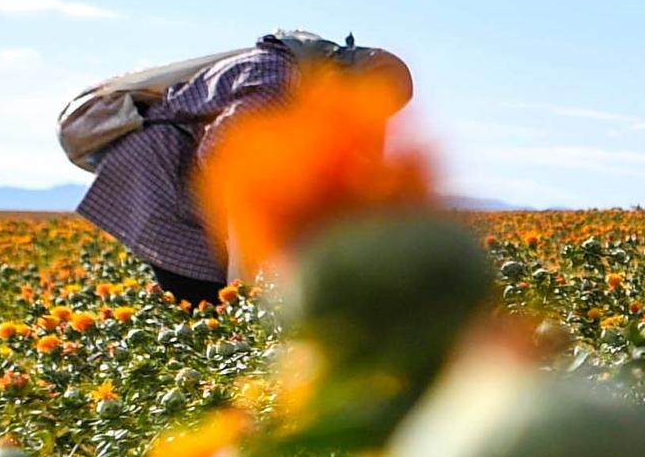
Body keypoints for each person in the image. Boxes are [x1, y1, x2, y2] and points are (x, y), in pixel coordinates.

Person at [68, 32, 412, 305]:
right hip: (158, 173)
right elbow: (221, 151)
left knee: (225, 290)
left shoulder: (291, 65)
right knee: (209, 293)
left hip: (170, 168)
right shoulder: (279, 84)